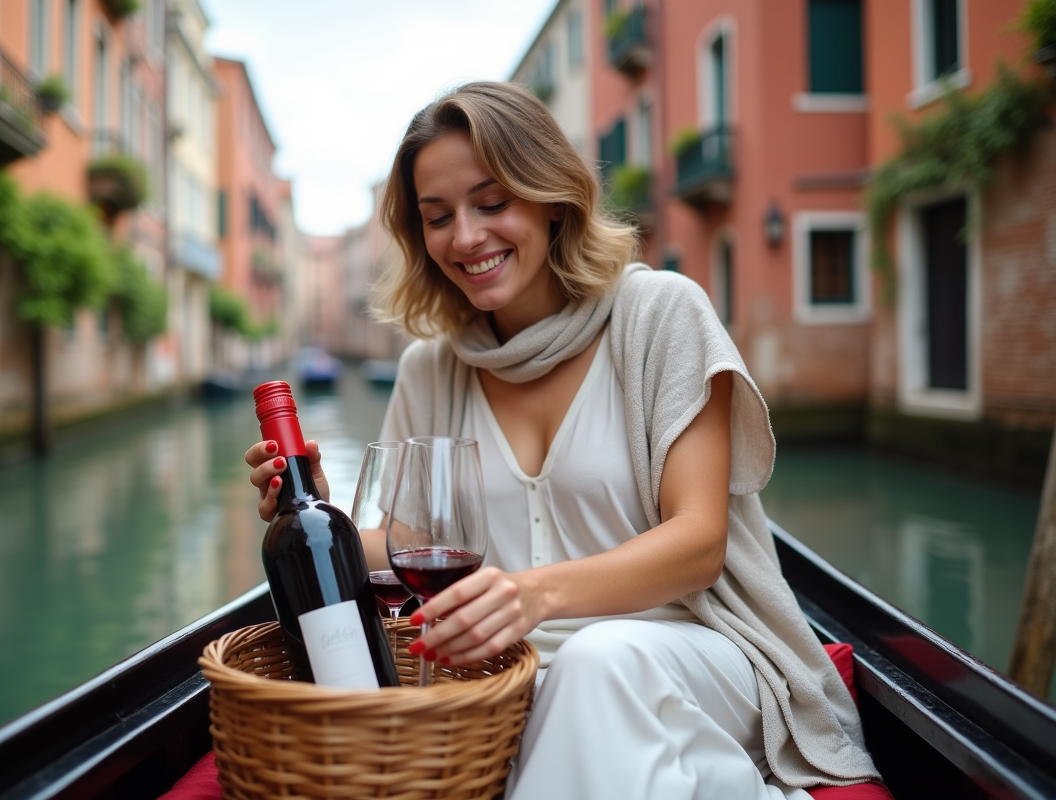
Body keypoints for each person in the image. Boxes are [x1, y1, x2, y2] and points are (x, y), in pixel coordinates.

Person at [246, 81, 879, 800]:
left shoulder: (661, 313)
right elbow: (410, 545)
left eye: (492, 202)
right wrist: (317, 515)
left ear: (551, 198)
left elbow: (700, 543)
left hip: (695, 656)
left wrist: (532, 596)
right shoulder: (429, 366)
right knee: (575, 690)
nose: (466, 236)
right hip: (511, 685)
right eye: (437, 216)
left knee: (598, 659)